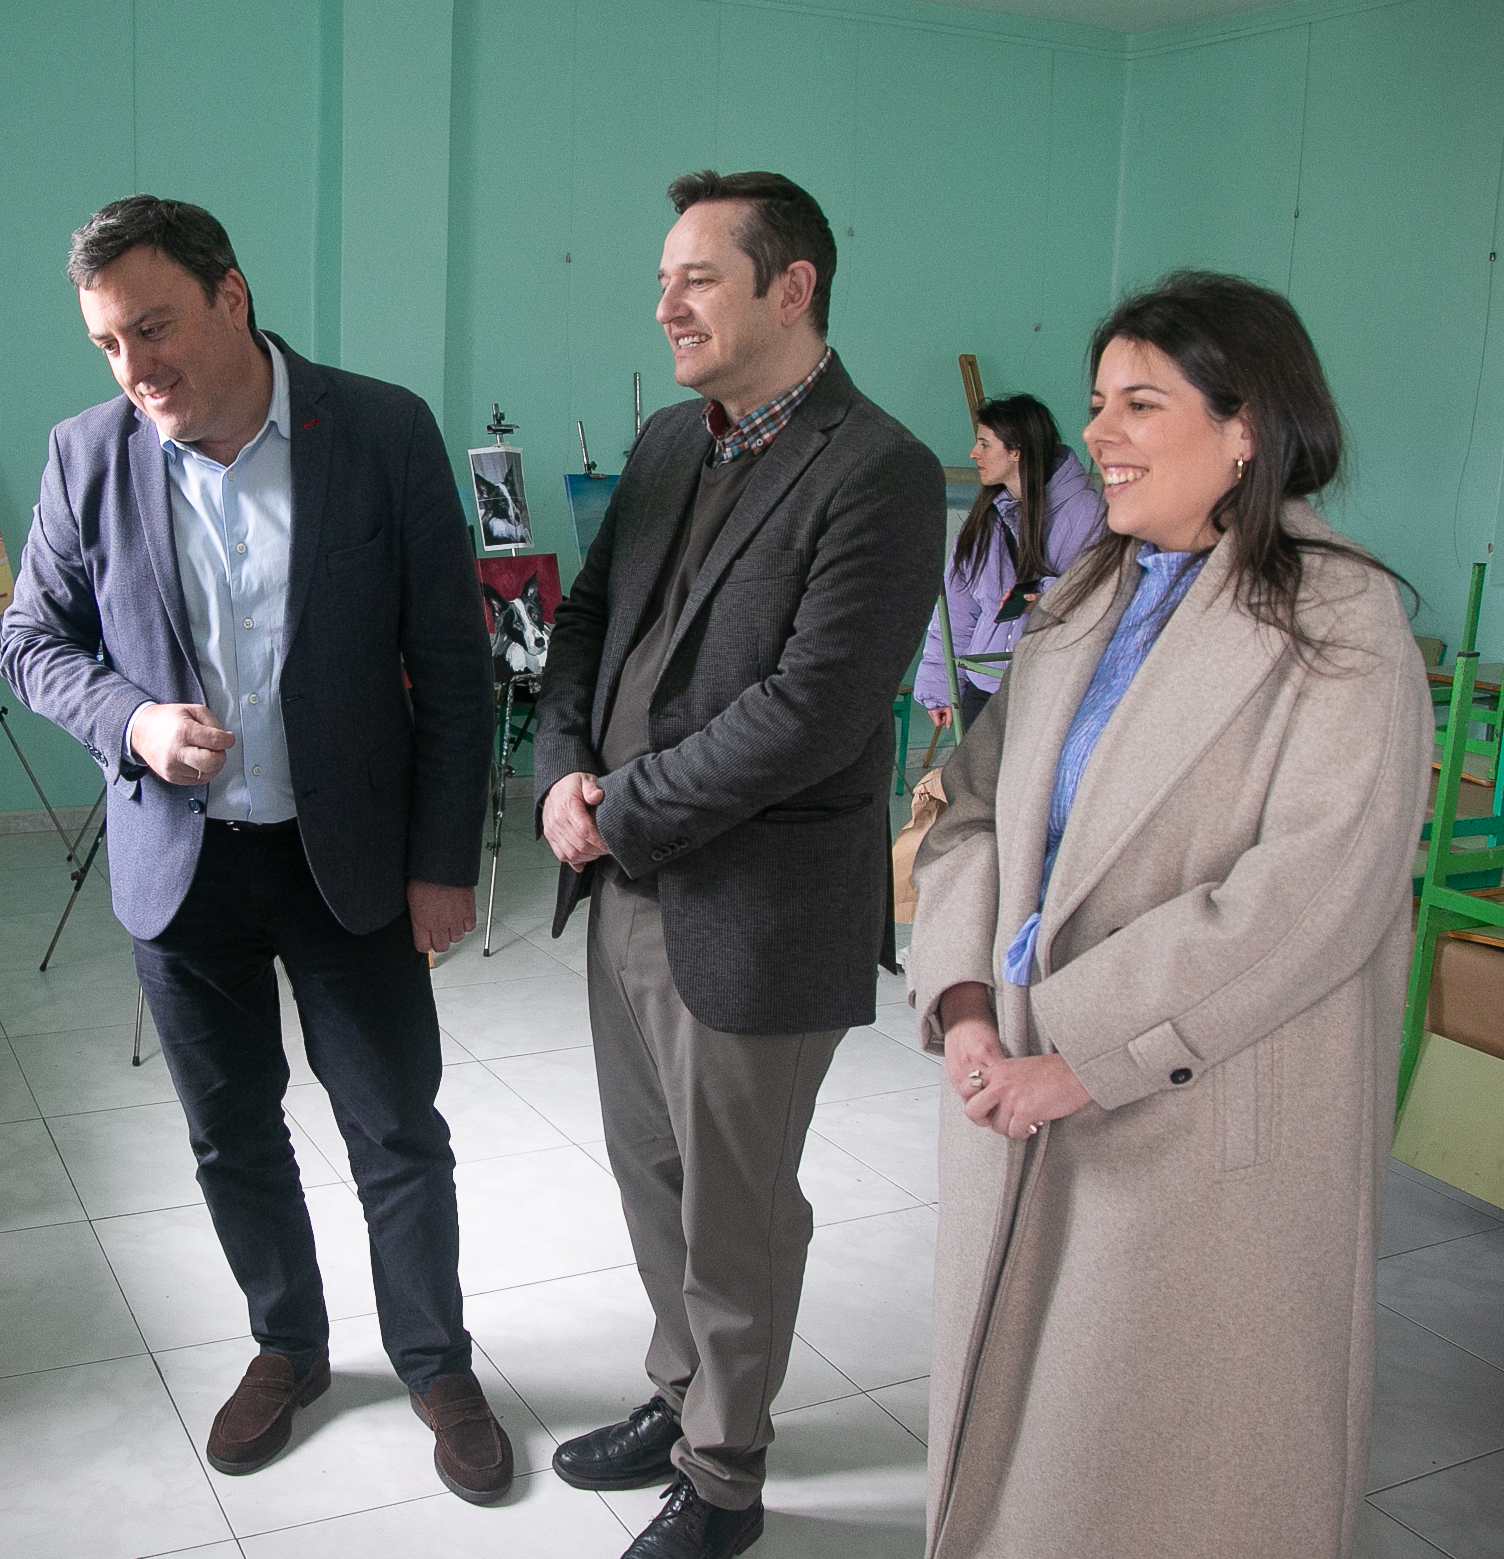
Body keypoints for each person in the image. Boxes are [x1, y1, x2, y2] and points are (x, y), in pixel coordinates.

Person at [0, 196, 511, 1505]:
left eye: (154, 326)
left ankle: (437, 1362)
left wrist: (443, 861)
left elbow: (455, 666)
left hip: (348, 857)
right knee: (230, 1131)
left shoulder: (379, 430)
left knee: (394, 1127)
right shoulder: (87, 457)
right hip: (182, 869)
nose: (135, 367)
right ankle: (288, 1344)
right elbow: (33, 644)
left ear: (231, 295)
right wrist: (132, 721)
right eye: (108, 343)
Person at [908, 272, 1426, 1559]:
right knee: (1021, 1457)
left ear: (1246, 427)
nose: (1099, 433)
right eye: (1097, 402)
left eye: (1141, 403)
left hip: (1199, 1120)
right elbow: (970, 808)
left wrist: (1076, 1054)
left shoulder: (1340, 619)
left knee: (1166, 1472)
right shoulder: (1085, 597)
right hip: (1018, 1083)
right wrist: (964, 1003)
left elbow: (1308, 893)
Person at [532, 170, 943, 1558]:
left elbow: (812, 710)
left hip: (756, 906)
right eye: (662, 279)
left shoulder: (878, 470)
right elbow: (586, 621)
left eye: (696, 277)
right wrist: (559, 772)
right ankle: (679, 1395)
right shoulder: (668, 441)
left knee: (738, 1208)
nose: (665, 304)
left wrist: (620, 806)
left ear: (791, 286)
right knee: (653, 1171)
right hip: (622, 879)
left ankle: (723, 1475)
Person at [915, 393, 1107, 731]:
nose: (973, 453)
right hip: (984, 687)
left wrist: (1045, 597)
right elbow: (957, 610)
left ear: (1016, 451)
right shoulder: (983, 520)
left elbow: (1099, 595)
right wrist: (940, 686)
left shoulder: (1085, 513)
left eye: (985, 444)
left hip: (1050, 691)